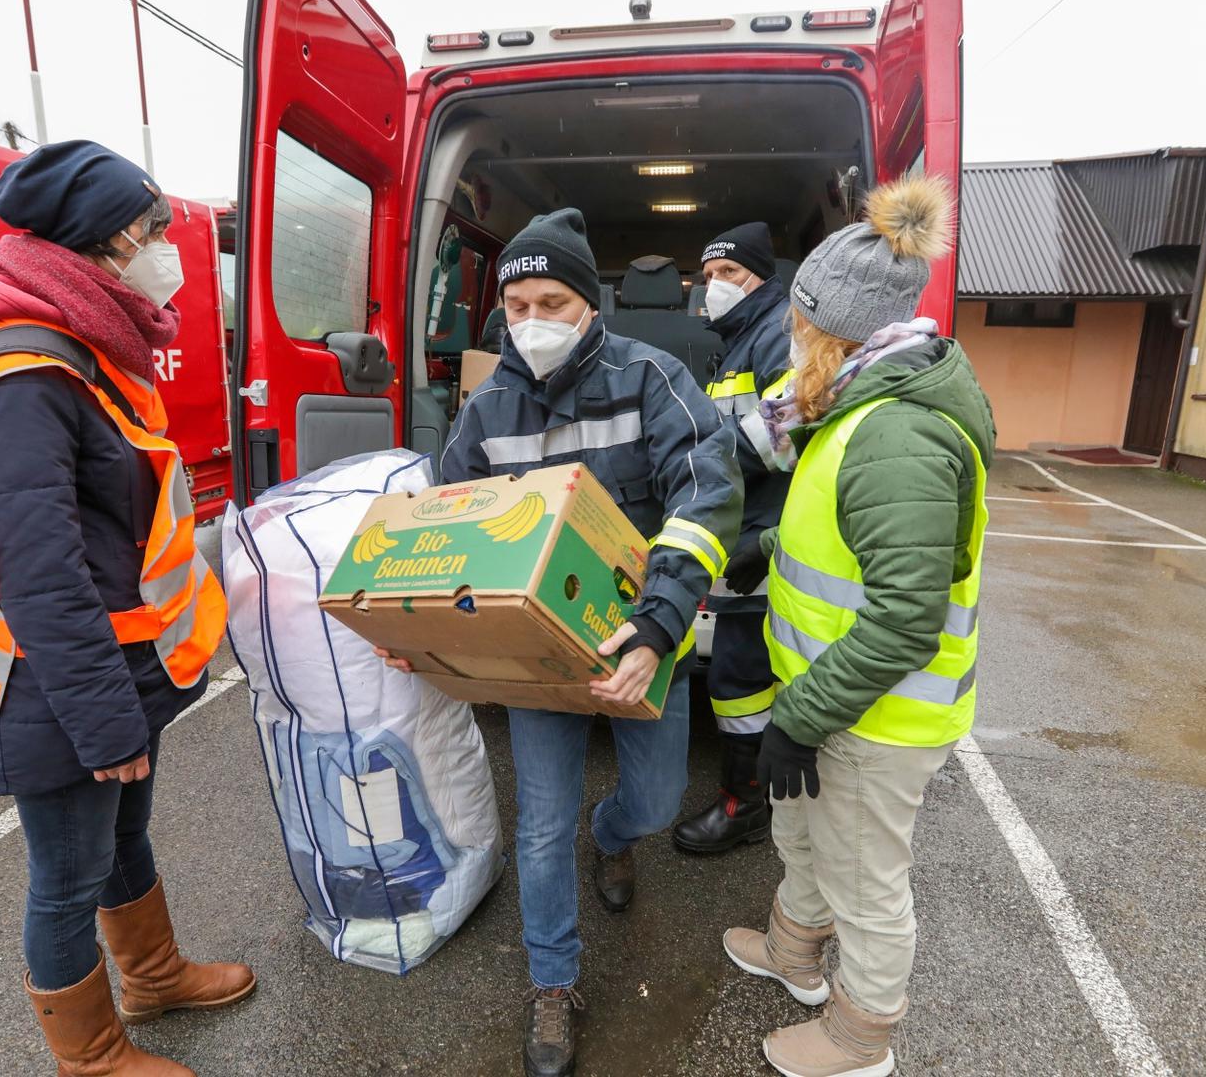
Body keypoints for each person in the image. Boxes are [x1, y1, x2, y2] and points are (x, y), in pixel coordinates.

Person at [0, 141, 249, 1076]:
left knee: (123, 835)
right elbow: (38, 574)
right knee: (68, 876)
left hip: (115, 664)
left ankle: (154, 975)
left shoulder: (78, 341)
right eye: (156, 227)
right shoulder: (22, 371)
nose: (167, 245)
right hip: (52, 680)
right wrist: (102, 720)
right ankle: (89, 1058)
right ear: (110, 237)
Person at [377, 208, 742, 1077]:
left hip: (640, 641)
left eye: (552, 300)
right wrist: (415, 626)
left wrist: (656, 628)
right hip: (539, 660)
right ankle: (553, 982)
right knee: (539, 828)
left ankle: (612, 834)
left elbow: (706, 498)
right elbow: (445, 525)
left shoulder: (652, 379)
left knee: (653, 803)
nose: (530, 319)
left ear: (590, 304)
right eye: (515, 302)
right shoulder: (488, 407)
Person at [718, 174, 993, 1077]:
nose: (792, 341)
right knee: (803, 836)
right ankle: (795, 955)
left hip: (877, 716)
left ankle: (859, 1036)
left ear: (837, 333)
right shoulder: (856, 400)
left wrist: (799, 717)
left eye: (802, 326)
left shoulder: (899, 437)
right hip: (832, 698)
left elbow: (906, 620)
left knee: (866, 880)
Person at [672, 221, 793, 855]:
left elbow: (791, 426)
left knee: (741, 678)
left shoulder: (777, 334)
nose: (714, 286)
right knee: (741, 672)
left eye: (729, 274)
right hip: (745, 527)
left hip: (768, 535)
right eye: (708, 275)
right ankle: (757, 796)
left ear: (761, 279)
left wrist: (696, 465)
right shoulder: (742, 338)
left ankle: (747, 806)